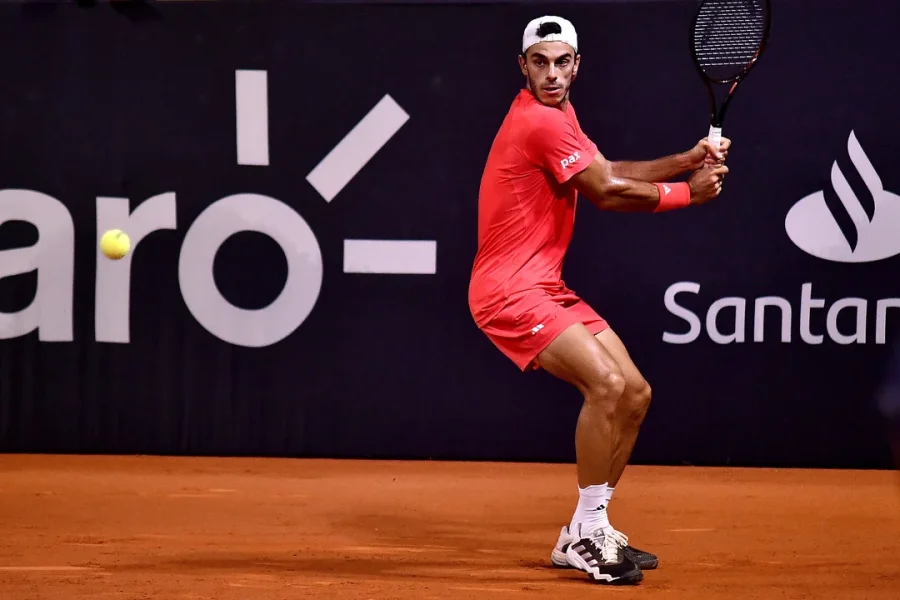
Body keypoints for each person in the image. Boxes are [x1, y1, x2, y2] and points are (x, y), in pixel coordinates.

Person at [467, 15, 731, 586]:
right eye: (540, 62)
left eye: (563, 62)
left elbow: (607, 172)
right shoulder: (537, 120)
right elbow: (609, 194)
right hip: (508, 291)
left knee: (634, 393)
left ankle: (584, 531)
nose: (552, 73)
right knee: (605, 386)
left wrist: (686, 160)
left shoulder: (561, 114)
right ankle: (588, 533)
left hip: (544, 285)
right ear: (523, 66)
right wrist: (689, 194)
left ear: (577, 65)